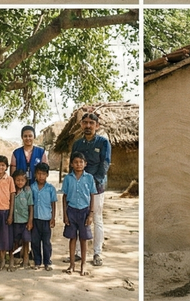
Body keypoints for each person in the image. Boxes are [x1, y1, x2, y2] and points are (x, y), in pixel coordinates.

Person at [70, 111, 110, 267]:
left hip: (96, 186)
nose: (88, 126)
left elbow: (105, 164)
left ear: (97, 126)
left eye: (91, 123)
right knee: (80, 218)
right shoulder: (77, 144)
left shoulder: (103, 143)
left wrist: (93, 182)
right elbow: (72, 165)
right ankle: (79, 254)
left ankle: (97, 253)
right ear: (81, 125)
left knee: (96, 219)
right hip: (78, 187)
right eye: (85, 123)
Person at [61, 152, 96, 276]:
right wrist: (65, 214)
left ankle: (83, 264)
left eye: (81, 162)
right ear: (71, 164)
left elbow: (92, 196)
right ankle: (72, 264)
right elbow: (64, 197)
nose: (78, 164)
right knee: (72, 238)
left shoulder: (89, 178)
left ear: (85, 164)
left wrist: (91, 214)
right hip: (71, 210)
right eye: (76, 162)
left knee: (83, 239)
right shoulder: (68, 178)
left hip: (84, 211)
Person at [27, 162, 57, 271]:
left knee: (46, 242)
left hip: (46, 220)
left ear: (47, 175)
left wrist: (53, 218)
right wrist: (29, 220)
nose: (41, 176)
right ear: (35, 174)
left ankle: (47, 262)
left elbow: (53, 203)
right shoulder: (32, 188)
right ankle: (37, 262)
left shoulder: (50, 188)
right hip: (35, 219)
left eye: (43, 174)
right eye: (39, 174)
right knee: (35, 242)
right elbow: (30, 204)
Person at [9, 169, 34, 271]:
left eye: (22, 180)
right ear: (14, 180)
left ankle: (26, 259)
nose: (20, 182)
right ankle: (11, 259)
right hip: (15, 221)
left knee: (26, 241)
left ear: (26, 181)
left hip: (25, 221)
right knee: (13, 241)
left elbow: (31, 206)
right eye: (17, 180)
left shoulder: (27, 191)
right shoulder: (12, 192)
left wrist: (30, 221)